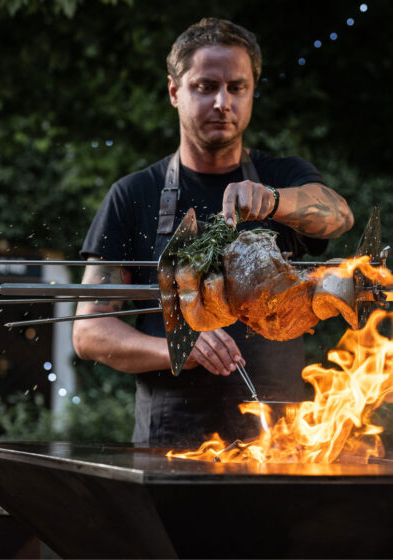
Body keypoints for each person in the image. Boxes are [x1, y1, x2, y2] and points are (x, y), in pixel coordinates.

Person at [73, 18, 354, 446]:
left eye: (237, 87)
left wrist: (275, 200)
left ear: (251, 92)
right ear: (174, 91)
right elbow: (89, 333)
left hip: (280, 447)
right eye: (205, 86)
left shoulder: (284, 176)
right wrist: (179, 349)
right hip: (169, 449)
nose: (223, 102)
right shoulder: (133, 195)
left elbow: (339, 215)